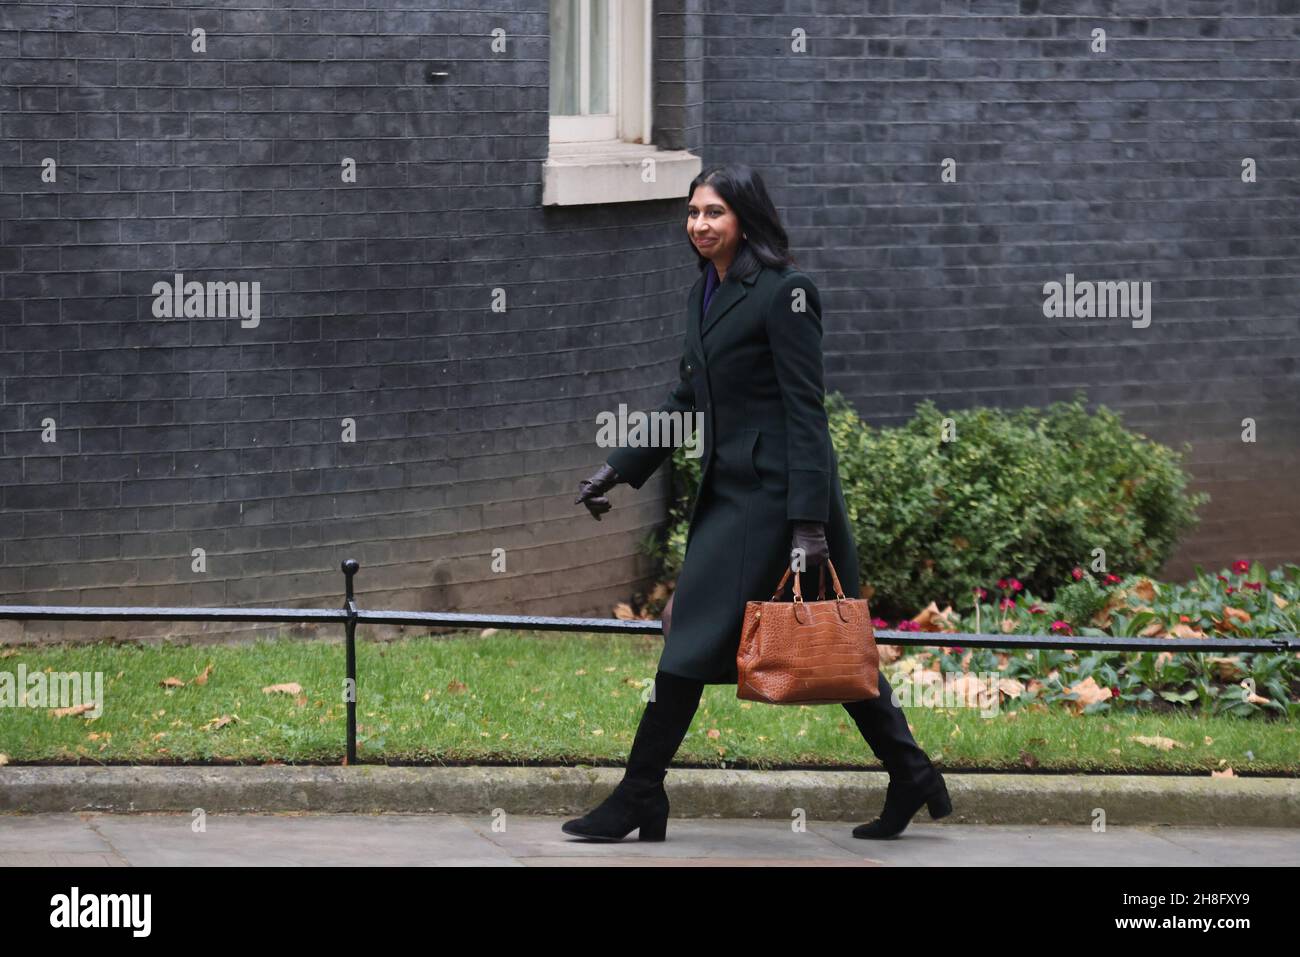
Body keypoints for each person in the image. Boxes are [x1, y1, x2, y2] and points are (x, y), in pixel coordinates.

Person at [567, 164, 950, 842]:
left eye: (714, 211)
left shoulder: (785, 293)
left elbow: (807, 412)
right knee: (826, 645)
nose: (699, 224)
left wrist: (808, 525)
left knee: (693, 640)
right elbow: (686, 399)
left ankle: (638, 793)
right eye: (692, 213)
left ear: (745, 218)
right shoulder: (703, 295)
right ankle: (912, 771)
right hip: (732, 494)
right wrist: (617, 468)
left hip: (778, 501)